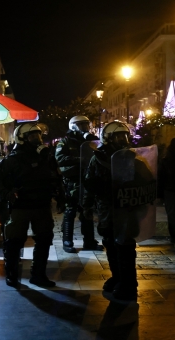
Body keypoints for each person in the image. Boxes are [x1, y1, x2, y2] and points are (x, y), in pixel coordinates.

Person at [0, 122, 57, 288]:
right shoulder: (12, 160)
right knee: (14, 241)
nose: (37, 139)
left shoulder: (45, 157)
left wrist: (59, 197)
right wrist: (6, 194)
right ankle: (11, 275)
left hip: (41, 205)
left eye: (38, 135)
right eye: (32, 136)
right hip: (20, 206)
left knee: (44, 239)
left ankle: (38, 274)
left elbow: (55, 177)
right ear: (22, 139)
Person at [83, 121, 139, 301]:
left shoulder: (133, 156)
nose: (123, 140)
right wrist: (87, 205)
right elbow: (89, 182)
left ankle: (129, 284)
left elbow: (146, 177)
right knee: (110, 242)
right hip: (107, 207)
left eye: (124, 136)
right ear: (108, 138)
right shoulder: (98, 157)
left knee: (126, 245)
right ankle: (117, 277)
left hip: (126, 207)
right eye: (118, 136)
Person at [55, 115, 102, 253]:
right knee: (70, 211)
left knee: (87, 211)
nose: (85, 128)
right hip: (73, 182)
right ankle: (67, 240)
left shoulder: (90, 142)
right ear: (73, 126)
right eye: (81, 125)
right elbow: (60, 158)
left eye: (86, 125)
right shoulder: (65, 142)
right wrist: (80, 159)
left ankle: (89, 241)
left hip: (87, 180)